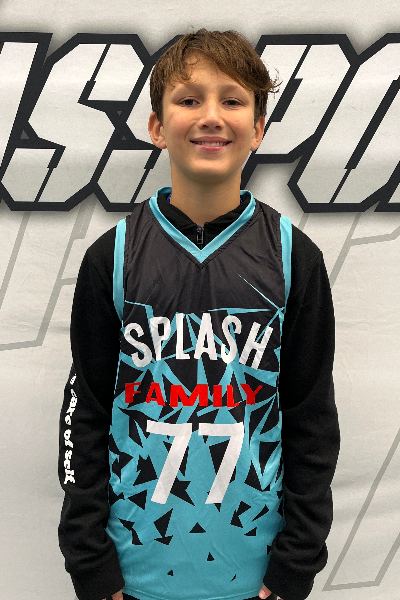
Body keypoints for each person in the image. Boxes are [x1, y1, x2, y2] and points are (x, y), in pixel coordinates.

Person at [58, 29, 339, 600]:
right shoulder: (113, 258)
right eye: (189, 99)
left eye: (232, 100)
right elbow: (83, 415)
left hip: (255, 574)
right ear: (157, 127)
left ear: (258, 129)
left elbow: (312, 422)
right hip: (133, 573)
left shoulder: (294, 259)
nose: (211, 116)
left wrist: (294, 566)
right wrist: (91, 564)